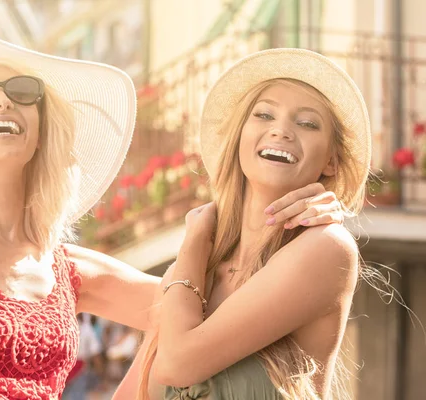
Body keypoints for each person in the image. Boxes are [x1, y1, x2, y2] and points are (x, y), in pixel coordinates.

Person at [0, 22, 345, 400]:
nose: (3, 103)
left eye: (23, 93)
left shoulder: (71, 270)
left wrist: (299, 206)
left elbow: (220, 308)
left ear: (40, 128)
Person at [114, 48, 374, 400]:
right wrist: (195, 250)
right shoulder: (192, 273)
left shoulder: (326, 247)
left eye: (308, 123)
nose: (281, 130)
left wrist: (194, 238)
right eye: (264, 114)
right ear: (239, 138)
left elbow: (176, 365)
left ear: (330, 160)